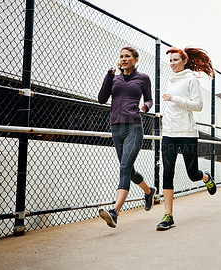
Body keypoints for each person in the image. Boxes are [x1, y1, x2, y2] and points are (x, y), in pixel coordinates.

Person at [156, 47, 217, 231]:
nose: (172, 63)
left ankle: (205, 177)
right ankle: (169, 215)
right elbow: (171, 106)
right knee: (167, 172)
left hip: (187, 133)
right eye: (171, 61)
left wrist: (174, 98)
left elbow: (198, 106)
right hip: (169, 133)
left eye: (175, 60)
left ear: (184, 61)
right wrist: (165, 115)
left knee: (192, 174)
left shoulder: (191, 80)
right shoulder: (170, 81)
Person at [97, 46, 156, 228]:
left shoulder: (143, 78)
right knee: (128, 171)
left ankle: (115, 211)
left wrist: (145, 107)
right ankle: (148, 191)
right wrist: (108, 75)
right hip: (116, 127)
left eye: (127, 56)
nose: (123, 59)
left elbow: (149, 99)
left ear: (135, 59)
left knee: (124, 167)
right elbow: (101, 99)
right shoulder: (114, 78)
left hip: (134, 128)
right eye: (121, 56)